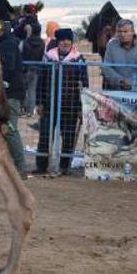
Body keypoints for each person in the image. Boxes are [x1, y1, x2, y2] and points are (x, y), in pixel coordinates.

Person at [35, 28, 89, 175]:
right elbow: (41, 80)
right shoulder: (48, 57)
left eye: (68, 40)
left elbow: (85, 84)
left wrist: (81, 106)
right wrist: (38, 102)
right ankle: (41, 166)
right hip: (49, 103)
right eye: (63, 40)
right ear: (58, 42)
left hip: (70, 104)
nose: (66, 42)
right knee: (45, 135)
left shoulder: (79, 59)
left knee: (69, 137)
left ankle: (64, 167)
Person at [0, 5, 27, 177]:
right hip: (7, 92)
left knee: (10, 129)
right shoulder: (6, 42)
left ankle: (21, 168)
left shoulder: (7, 44)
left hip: (10, 93)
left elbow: (7, 67)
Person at [102, 19, 137, 91]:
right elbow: (106, 67)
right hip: (117, 90)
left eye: (125, 31)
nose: (122, 34)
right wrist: (120, 81)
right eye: (119, 32)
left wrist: (133, 82)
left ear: (133, 32)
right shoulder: (111, 45)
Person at [21, 23, 45, 116]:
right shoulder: (43, 43)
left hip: (25, 68)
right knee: (32, 90)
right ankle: (30, 111)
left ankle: (23, 108)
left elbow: (20, 51)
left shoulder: (25, 42)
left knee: (23, 89)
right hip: (36, 69)